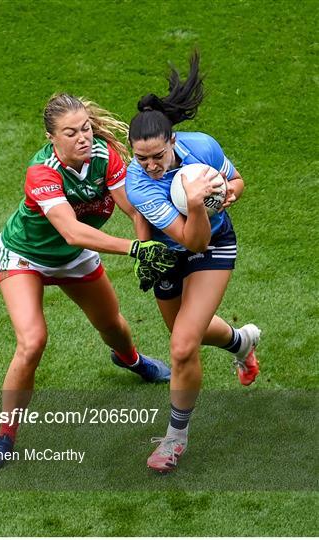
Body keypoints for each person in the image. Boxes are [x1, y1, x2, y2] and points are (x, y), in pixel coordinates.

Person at [0, 93, 177, 470]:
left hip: (73, 260)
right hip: (25, 256)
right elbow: (71, 231)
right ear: (52, 137)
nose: (84, 137)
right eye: (71, 132)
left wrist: (149, 246)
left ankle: (131, 360)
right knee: (32, 341)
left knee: (112, 324)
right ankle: (5, 434)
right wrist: (135, 249)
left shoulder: (104, 156)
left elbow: (132, 207)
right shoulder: (43, 171)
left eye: (86, 128)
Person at [125, 51, 261, 473]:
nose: (149, 167)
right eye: (140, 158)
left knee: (182, 345)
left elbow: (235, 183)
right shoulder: (138, 184)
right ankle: (241, 342)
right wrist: (198, 204)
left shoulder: (201, 145)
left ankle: (174, 439)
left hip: (214, 249)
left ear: (172, 143)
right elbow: (187, 237)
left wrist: (225, 194)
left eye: (157, 157)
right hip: (172, 253)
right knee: (190, 333)